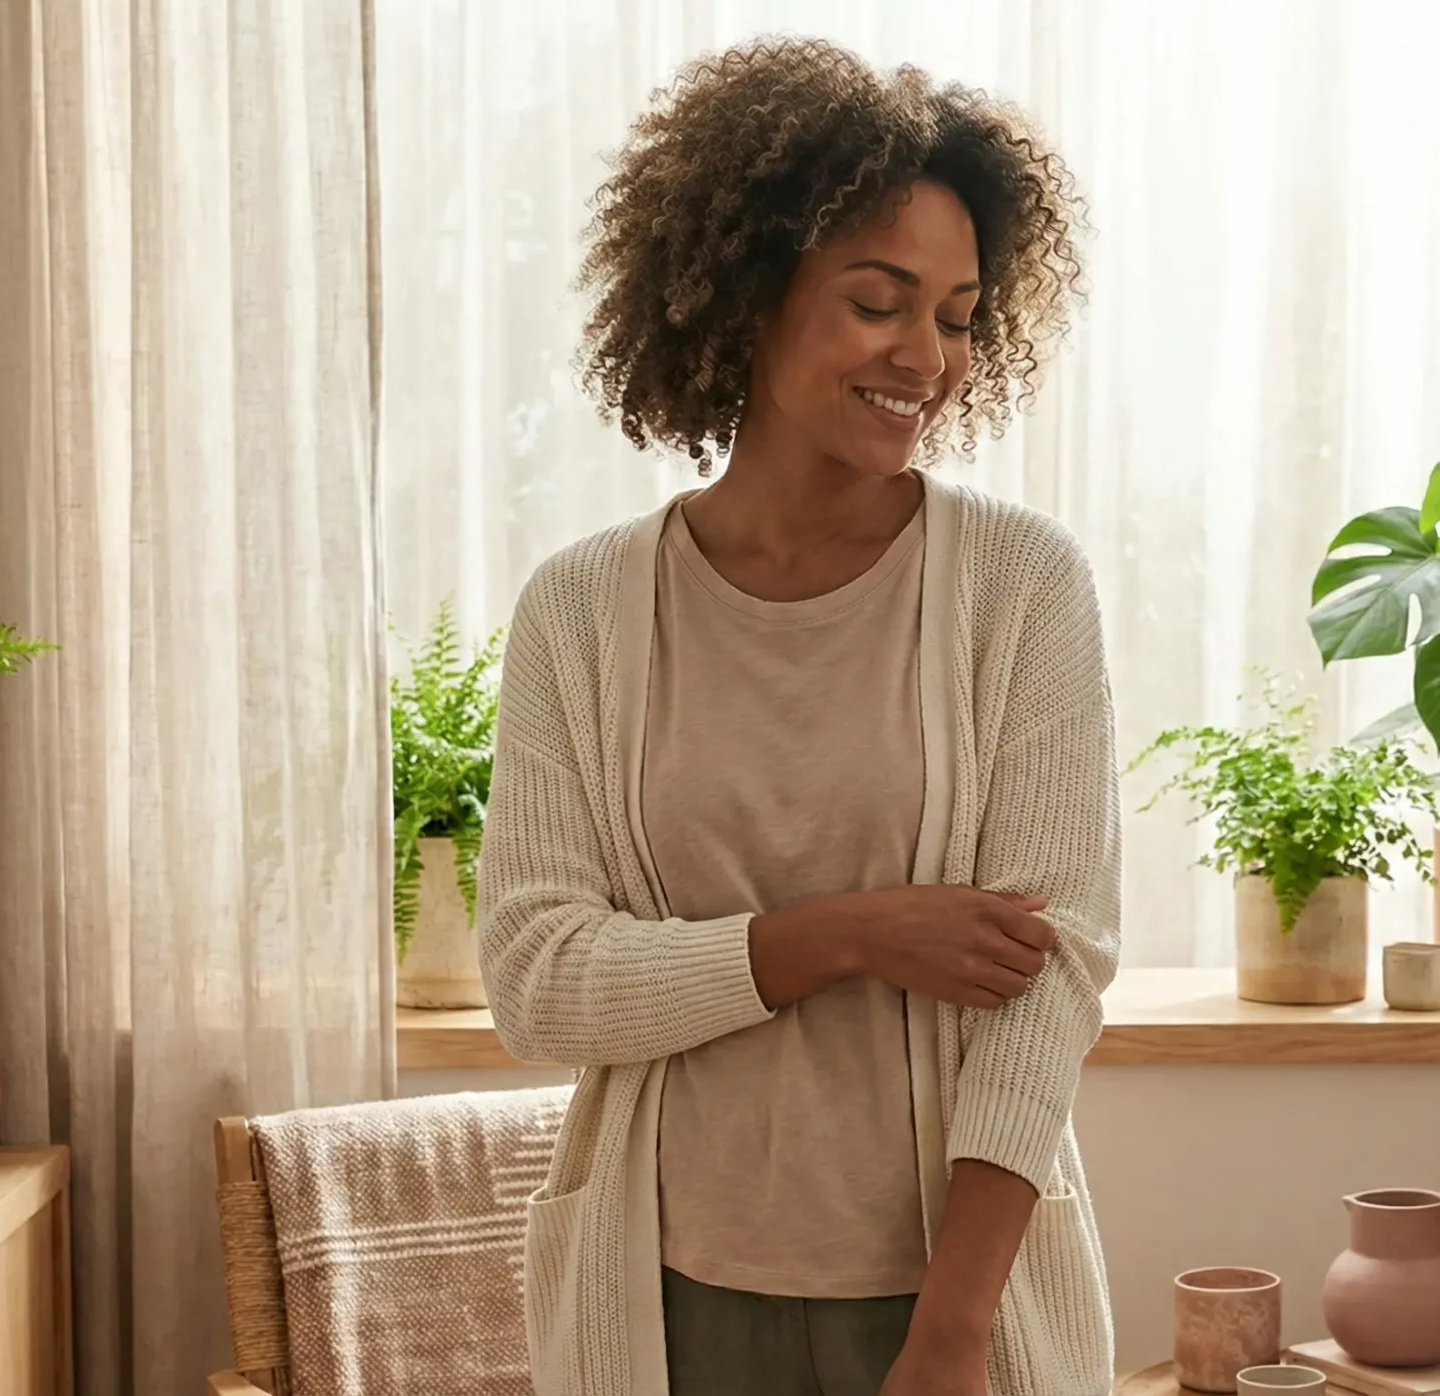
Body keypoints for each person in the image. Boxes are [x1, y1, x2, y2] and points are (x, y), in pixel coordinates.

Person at [476, 35, 1120, 1396]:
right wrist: (848, 935)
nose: (925, 356)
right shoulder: (580, 612)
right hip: (665, 1301)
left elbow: (1047, 977)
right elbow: (537, 979)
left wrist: (953, 1333)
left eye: (958, 317)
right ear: (749, 295)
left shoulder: (1021, 587)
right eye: (879, 302)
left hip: (951, 1307)